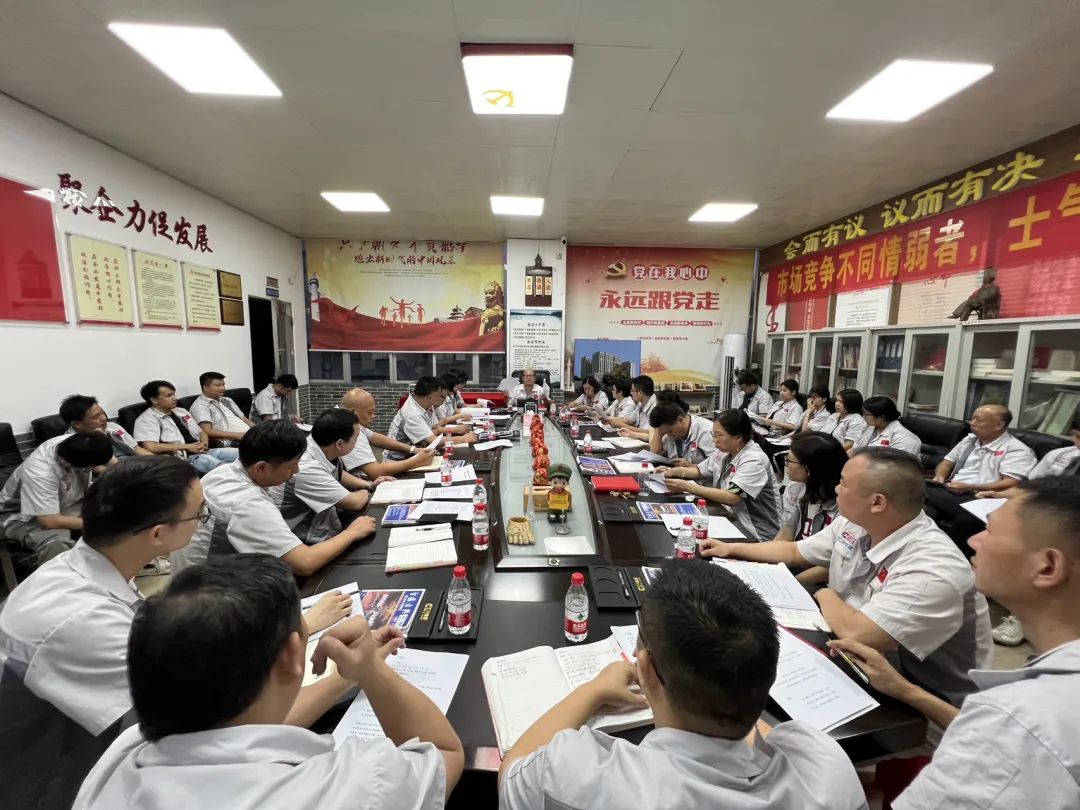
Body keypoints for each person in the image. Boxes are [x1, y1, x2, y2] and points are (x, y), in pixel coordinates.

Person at [73, 555, 465, 809]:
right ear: (292, 656)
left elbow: (245, 731)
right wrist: (373, 673)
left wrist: (350, 676)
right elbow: (443, 754)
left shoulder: (123, 755)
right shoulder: (351, 787)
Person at [498, 559, 866, 810]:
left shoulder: (580, 777)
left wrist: (592, 689)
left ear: (644, 667)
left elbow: (514, 771)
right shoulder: (826, 769)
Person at [829, 476, 1080, 809]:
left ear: (1047, 567)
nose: (974, 540)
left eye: (990, 531)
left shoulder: (1016, 726)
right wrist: (906, 691)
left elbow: (1004, 733)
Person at [702, 448, 992, 708]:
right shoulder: (855, 522)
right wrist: (731, 548)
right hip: (857, 660)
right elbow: (794, 550)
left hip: (923, 703)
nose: (836, 489)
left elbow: (860, 634)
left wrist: (824, 593)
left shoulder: (933, 566)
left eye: (844, 483)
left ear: (877, 502)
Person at [0, 456, 200, 810]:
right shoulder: (81, 617)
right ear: (158, 533)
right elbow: (199, 727)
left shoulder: (81, 570)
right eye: (199, 514)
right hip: (48, 782)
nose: (202, 522)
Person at [176, 420, 377, 578]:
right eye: (291, 466)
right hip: (210, 590)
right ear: (262, 467)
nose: (295, 472)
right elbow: (305, 563)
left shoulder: (223, 472)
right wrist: (352, 532)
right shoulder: (247, 503)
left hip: (194, 575)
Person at [979, 422, 1080, 647]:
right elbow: (1032, 487)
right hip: (1048, 517)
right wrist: (1000, 495)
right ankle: (1023, 609)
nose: (1078, 444)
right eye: (1077, 437)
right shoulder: (1061, 456)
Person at [925, 404, 1035, 553]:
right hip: (951, 489)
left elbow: (1011, 483)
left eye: (979, 420)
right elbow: (947, 462)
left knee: (967, 517)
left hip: (981, 496)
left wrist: (970, 487)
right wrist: (940, 476)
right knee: (915, 494)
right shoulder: (969, 440)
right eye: (972, 418)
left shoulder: (1016, 449)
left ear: (999, 425)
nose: (973, 423)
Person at [663, 409, 781, 540]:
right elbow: (700, 471)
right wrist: (675, 471)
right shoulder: (724, 452)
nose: (714, 440)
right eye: (713, 434)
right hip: (731, 520)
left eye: (719, 435)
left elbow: (732, 496)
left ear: (738, 437)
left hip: (756, 533)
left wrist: (686, 486)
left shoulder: (754, 460)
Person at [0, 432, 113, 568]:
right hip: (23, 518)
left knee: (113, 507)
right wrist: (98, 524)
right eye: (91, 467)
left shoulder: (75, 442)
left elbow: (110, 462)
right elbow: (49, 521)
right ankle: (50, 573)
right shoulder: (40, 473)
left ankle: (104, 563)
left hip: (65, 501)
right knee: (57, 543)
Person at [274, 409, 383, 546]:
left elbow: (333, 472)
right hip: (307, 542)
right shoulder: (307, 468)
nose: (357, 442)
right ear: (339, 444)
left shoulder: (319, 445)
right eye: (356, 438)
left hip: (327, 522)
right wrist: (366, 491)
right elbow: (355, 503)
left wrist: (368, 484)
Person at [133, 380, 236, 474]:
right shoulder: (146, 420)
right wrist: (188, 447)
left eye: (174, 394)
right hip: (184, 459)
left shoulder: (181, 411)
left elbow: (201, 432)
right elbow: (151, 446)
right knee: (222, 467)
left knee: (241, 454)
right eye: (169, 396)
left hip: (204, 452)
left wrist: (203, 444)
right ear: (154, 400)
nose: (175, 398)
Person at [338, 388, 439, 478]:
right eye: (369, 412)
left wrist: (413, 450)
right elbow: (375, 472)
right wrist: (417, 461)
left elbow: (375, 437)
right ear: (353, 412)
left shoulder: (347, 419)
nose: (373, 416)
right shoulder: (346, 428)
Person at [775, 431, 846, 543]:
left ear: (809, 468)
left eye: (789, 460)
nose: (786, 465)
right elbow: (787, 532)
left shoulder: (844, 505)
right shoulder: (795, 488)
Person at [384, 377, 476, 460]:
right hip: (398, 459)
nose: (444, 400)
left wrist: (453, 431)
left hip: (417, 451)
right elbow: (435, 441)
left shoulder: (425, 404)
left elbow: (435, 428)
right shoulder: (412, 413)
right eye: (442, 396)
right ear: (430, 396)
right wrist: (463, 439)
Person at [59, 394, 149, 460]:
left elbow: (136, 448)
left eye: (102, 412)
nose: (103, 418)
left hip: (136, 464)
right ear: (77, 424)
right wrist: (100, 439)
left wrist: (156, 460)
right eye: (96, 416)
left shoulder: (112, 426)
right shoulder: (72, 445)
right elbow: (99, 469)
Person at [190, 371, 255, 448]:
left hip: (248, 435)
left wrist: (259, 430)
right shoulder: (200, 405)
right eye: (218, 385)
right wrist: (237, 435)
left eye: (223, 385)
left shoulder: (227, 400)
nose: (223, 388)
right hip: (232, 441)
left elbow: (244, 419)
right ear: (205, 388)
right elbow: (207, 431)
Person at [648, 400, 716, 466]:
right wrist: (659, 432)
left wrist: (690, 466)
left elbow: (717, 465)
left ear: (680, 419)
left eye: (670, 431)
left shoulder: (706, 431)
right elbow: (655, 454)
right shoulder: (668, 429)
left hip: (700, 473)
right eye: (665, 433)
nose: (669, 435)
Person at [851, 395, 921, 458]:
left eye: (866, 413)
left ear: (881, 417)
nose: (863, 416)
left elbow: (895, 465)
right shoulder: (868, 426)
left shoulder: (905, 439)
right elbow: (854, 449)